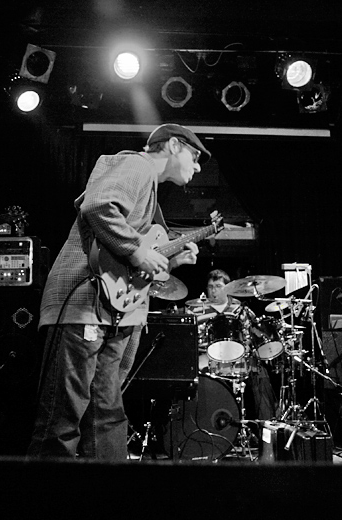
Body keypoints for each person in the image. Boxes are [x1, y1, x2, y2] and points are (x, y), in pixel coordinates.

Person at [27, 123, 208, 461]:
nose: (197, 168)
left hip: (109, 310)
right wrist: (137, 251)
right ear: (172, 145)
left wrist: (170, 259)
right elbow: (98, 206)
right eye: (195, 156)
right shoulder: (138, 165)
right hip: (84, 301)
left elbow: (129, 259)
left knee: (106, 416)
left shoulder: (150, 190)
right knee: (65, 418)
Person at [190, 269, 277, 421]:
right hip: (206, 359)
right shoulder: (195, 308)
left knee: (259, 371)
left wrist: (248, 347)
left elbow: (250, 335)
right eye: (210, 287)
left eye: (218, 286)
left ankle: (265, 424)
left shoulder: (239, 308)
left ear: (228, 287)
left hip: (235, 358)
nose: (213, 291)